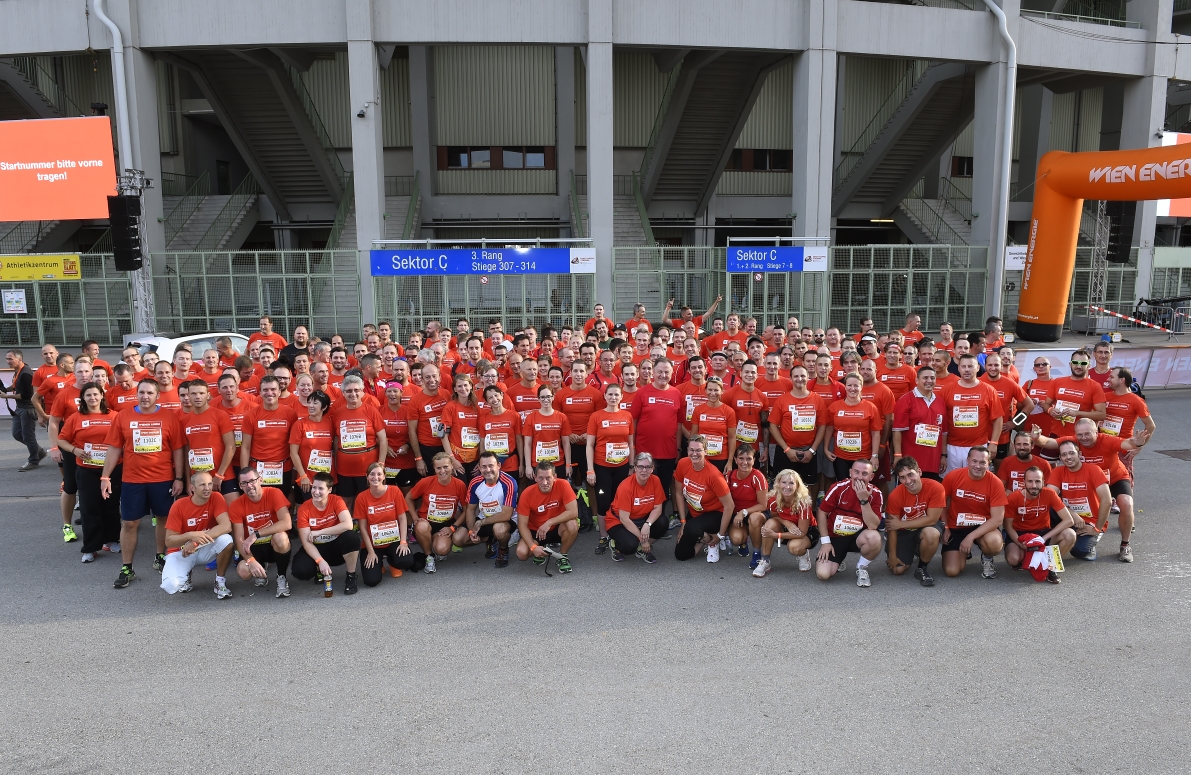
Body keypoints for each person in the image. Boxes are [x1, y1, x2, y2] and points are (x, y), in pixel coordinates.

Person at [102, 379, 186, 588]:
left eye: (150, 393)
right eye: (141, 392)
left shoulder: (169, 416)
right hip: (132, 480)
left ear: (158, 396)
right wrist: (105, 477)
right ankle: (127, 568)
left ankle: (160, 557)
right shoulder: (124, 416)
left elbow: (177, 449)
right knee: (130, 523)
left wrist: (179, 478)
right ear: (136, 394)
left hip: (163, 478)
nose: (145, 397)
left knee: (163, 519)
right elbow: (114, 448)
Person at [56, 383, 121, 561]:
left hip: (113, 469)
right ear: (83, 399)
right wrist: (75, 450)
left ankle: (112, 540)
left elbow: (123, 440)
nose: (92, 398)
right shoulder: (76, 417)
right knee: (89, 507)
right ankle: (91, 547)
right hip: (86, 469)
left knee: (111, 506)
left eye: (95, 394)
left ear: (102, 396)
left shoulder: (115, 416)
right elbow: (61, 440)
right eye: (88, 395)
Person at [1033, 431, 1120, 562]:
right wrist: (1071, 513)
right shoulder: (1058, 472)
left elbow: (1107, 500)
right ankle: (1057, 540)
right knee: (1046, 507)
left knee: (1080, 551)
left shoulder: (1094, 470)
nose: (1068, 457)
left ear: (1079, 454)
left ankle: (1091, 540)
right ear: (1060, 458)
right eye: (1064, 454)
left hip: (1089, 522)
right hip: (1068, 517)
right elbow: (1048, 497)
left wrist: (1097, 528)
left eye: (1071, 453)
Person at [160, 472, 235, 599]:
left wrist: (195, 542)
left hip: (202, 547)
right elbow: (169, 541)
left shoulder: (216, 497)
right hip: (181, 551)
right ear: (192, 488)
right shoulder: (179, 505)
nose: (207, 488)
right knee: (171, 585)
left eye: (210, 484)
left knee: (226, 540)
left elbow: (226, 526)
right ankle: (186, 575)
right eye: (202, 485)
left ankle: (220, 581)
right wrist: (189, 535)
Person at [815, 459, 883, 586]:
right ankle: (838, 560)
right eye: (856, 472)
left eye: (864, 474)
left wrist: (864, 500)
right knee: (823, 574)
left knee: (874, 538)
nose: (859, 477)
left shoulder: (876, 494)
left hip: (858, 537)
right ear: (850, 473)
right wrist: (825, 542)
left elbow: (873, 525)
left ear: (871, 476)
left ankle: (862, 567)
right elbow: (822, 512)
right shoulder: (838, 488)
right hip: (836, 537)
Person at [940, 447, 1006, 579]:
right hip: (956, 527)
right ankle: (964, 551)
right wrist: (945, 526)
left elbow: (998, 519)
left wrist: (970, 537)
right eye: (974, 461)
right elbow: (941, 503)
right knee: (952, 571)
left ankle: (987, 558)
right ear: (968, 460)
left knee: (994, 543)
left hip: (983, 527)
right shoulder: (953, 476)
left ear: (989, 463)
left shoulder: (996, 483)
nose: (978, 466)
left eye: (983, 462)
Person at [47, 356, 93, 542]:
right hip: (70, 447)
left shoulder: (100, 392)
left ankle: (100, 523)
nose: (83, 375)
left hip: (96, 449)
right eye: (79, 371)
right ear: (73, 374)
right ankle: (67, 524)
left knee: (95, 486)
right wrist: (54, 447)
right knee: (71, 486)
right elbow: (53, 423)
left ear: (92, 373)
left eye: (86, 371)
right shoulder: (65, 394)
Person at [229, 468, 294, 598]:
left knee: (281, 537)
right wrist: (251, 560)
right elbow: (239, 539)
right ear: (240, 486)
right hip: (252, 547)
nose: (249, 486)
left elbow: (287, 523)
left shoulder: (274, 493)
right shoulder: (236, 505)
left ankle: (281, 577)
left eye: (252, 481)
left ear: (260, 480)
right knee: (243, 572)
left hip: (272, 544)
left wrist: (256, 534)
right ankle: (260, 567)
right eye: (244, 483)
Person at [292, 472, 360, 594]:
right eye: (314, 487)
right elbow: (306, 542)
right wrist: (320, 561)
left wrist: (319, 532)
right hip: (315, 546)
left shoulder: (337, 500)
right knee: (300, 571)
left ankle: (351, 576)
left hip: (335, 547)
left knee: (352, 537)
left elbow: (348, 524)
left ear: (329, 490)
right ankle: (319, 569)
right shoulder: (304, 508)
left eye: (321, 488)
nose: (316, 492)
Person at [1004, 467, 1075, 583]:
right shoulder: (1014, 498)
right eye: (1030, 481)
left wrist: (1044, 538)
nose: (1034, 485)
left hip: (1043, 532)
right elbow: (1008, 526)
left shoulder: (1050, 493)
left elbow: (1069, 520)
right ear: (1024, 482)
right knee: (1013, 559)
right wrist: (1019, 542)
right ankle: (1031, 557)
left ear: (1043, 482)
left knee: (1070, 535)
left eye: (1037, 481)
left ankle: (1050, 567)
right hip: (1021, 534)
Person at [355, 462, 422, 586]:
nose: (376, 477)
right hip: (373, 544)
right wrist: (370, 551)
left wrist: (403, 542)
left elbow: (402, 519)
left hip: (393, 540)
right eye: (372, 474)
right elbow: (363, 528)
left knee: (406, 560)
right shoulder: (361, 497)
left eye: (379, 474)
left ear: (384, 476)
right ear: (367, 477)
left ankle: (393, 563)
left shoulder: (394, 491)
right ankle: (378, 563)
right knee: (371, 581)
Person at [586, 382, 634, 553]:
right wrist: (590, 469)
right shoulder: (596, 416)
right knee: (603, 501)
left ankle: (618, 533)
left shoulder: (627, 416)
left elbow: (630, 443)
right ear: (605, 396)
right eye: (610, 395)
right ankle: (604, 537)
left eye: (616, 395)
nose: (613, 398)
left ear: (621, 397)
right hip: (602, 467)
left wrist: (631, 465)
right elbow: (589, 444)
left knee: (620, 501)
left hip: (622, 467)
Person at [329, 374, 388, 513]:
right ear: (343, 393)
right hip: (345, 466)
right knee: (346, 500)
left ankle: (367, 528)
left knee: (368, 499)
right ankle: (348, 528)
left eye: (356, 390)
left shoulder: (371, 411)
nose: (353, 394)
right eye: (349, 391)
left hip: (367, 466)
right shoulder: (338, 413)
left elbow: (383, 439)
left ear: (362, 391)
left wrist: (381, 463)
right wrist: (336, 463)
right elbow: (336, 439)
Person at [767, 365, 827, 500]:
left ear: (808, 377)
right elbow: (772, 425)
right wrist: (787, 449)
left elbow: (822, 426)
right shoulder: (782, 400)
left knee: (807, 489)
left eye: (803, 376)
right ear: (791, 379)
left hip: (808, 451)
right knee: (781, 487)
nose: (800, 379)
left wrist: (812, 450)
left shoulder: (817, 399)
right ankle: (780, 516)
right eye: (796, 376)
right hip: (785, 451)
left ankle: (806, 517)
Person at [673, 436, 734, 562]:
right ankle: (706, 538)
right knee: (681, 554)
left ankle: (714, 540)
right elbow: (678, 493)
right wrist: (683, 522)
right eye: (691, 450)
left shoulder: (714, 475)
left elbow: (730, 506)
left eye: (698, 450)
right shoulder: (683, 464)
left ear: (705, 451)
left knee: (692, 528)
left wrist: (720, 535)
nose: (694, 454)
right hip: (696, 513)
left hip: (716, 514)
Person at [884, 457, 944, 586]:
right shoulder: (895, 495)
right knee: (897, 570)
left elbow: (932, 519)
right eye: (902, 477)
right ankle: (915, 549)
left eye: (910, 474)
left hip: (925, 527)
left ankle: (922, 567)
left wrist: (902, 524)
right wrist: (893, 557)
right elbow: (892, 527)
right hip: (903, 532)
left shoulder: (936, 487)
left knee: (932, 534)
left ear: (919, 472)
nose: (908, 481)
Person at [940, 353, 1003, 473]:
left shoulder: (988, 390)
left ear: (978, 368)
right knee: (953, 481)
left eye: (971, 366)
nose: (967, 370)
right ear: (959, 368)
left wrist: (994, 443)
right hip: (952, 447)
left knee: (977, 480)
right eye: (963, 366)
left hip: (979, 446)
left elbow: (998, 418)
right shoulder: (946, 390)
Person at [408, 452, 470, 572]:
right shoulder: (425, 482)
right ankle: (429, 556)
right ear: (434, 469)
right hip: (425, 522)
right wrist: (415, 518)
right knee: (421, 527)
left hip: (445, 524)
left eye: (446, 467)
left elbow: (466, 509)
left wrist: (453, 528)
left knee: (442, 550)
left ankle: (432, 544)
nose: (442, 471)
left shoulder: (460, 485)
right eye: (438, 468)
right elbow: (408, 499)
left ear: (452, 466)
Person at [240, 375, 299, 499]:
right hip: (258, 469)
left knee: (282, 502)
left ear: (279, 392)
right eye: (265, 390)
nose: (269, 393)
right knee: (259, 503)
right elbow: (245, 447)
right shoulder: (250, 415)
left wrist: (296, 470)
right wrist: (245, 473)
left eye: (273, 389)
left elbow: (294, 446)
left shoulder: (290, 413)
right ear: (260, 393)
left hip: (283, 468)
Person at [514, 462, 579, 572]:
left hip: (556, 528)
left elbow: (573, 512)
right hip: (536, 531)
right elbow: (522, 525)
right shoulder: (527, 493)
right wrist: (533, 547)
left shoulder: (563, 485)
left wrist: (549, 522)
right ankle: (540, 551)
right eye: (540, 478)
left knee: (572, 524)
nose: (544, 482)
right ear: (535, 478)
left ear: (555, 477)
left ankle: (562, 556)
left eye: (548, 478)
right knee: (521, 553)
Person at [456, 451, 518, 567]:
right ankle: (490, 539)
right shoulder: (475, 482)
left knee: (499, 530)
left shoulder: (509, 482)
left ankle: (503, 549)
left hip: (505, 520)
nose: (487, 470)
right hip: (484, 517)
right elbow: (470, 509)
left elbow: (506, 514)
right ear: (479, 468)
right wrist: (471, 531)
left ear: (498, 466)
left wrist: (480, 522)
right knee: (458, 539)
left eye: (491, 466)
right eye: (484, 466)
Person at [606, 452, 668, 563]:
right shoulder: (626, 486)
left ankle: (640, 547)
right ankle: (615, 544)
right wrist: (642, 539)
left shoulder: (656, 481)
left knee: (663, 522)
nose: (644, 470)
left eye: (647, 467)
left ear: (652, 468)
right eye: (640, 467)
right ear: (635, 468)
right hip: (618, 521)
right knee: (630, 546)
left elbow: (658, 508)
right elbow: (624, 518)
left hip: (642, 519)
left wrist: (647, 524)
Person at [753, 469, 815, 578]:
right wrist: (787, 523)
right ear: (778, 483)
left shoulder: (803, 502)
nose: (787, 486)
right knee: (769, 525)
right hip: (786, 528)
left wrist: (776, 536)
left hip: (805, 531)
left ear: (797, 486)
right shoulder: (773, 498)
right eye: (784, 482)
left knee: (794, 547)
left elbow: (801, 533)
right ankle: (765, 561)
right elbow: (774, 516)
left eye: (791, 483)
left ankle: (803, 554)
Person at [823, 373, 882, 482]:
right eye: (849, 385)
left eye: (856, 386)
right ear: (845, 386)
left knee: (861, 488)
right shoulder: (834, 407)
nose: (852, 389)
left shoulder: (871, 407)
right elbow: (829, 428)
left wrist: (875, 455)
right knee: (844, 487)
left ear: (861, 387)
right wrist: (826, 449)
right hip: (840, 457)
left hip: (863, 457)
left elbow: (875, 433)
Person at [891, 366, 945, 480]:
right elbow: (897, 430)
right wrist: (897, 455)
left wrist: (944, 455)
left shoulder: (940, 401)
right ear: (917, 380)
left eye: (932, 378)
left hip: (933, 461)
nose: (929, 381)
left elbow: (944, 432)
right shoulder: (906, 400)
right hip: (911, 461)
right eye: (925, 378)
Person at [181, 381, 236, 490]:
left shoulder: (220, 415)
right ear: (189, 396)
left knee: (232, 506)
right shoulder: (184, 421)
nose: (198, 397)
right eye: (193, 394)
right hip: (198, 478)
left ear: (208, 395)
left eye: (201, 393)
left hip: (223, 475)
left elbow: (231, 446)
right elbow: (186, 452)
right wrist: (188, 481)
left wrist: (219, 475)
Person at [1041, 349, 1106, 437]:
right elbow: (1046, 404)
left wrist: (1077, 413)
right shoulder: (1058, 382)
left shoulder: (1095, 386)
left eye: (1083, 363)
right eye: (1075, 362)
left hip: (1080, 437)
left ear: (1088, 366)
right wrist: (1050, 410)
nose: (1079, 366)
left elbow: (1101, 415)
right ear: (1070, 364)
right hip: (1055, 434)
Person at [725, 445, 768, 567]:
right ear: (735, 460)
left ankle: (757, 553)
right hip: (738, 516)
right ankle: (743, 543)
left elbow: (763, 505)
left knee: (754, 519)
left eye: (749, 459)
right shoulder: (729, 476)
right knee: (736, 539)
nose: (745, 462)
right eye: (741, 458)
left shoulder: (758, 476)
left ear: (754, 460)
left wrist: (743, 512)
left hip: (756, 514)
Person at [3, 349, 47, 471]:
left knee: (28, 436)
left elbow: (27, 395)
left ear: (20, 359)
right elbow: (15, 385)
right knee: (17, 434)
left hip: (27, 408)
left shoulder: (26, 374)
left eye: (10, 359)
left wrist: (7, 396)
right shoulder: (19, 371)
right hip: (20, 408)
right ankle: (39, 452)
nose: (8, 361)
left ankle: (33, 460)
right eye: (7, 359)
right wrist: (5, 390)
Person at [521, 384, 572, 482]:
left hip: (557, 463)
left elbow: (566, 443)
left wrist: (568, 464)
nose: (545, 399)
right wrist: (527, 466)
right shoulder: (531, 417)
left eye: (548, 396)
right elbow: (527, 444)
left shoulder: (562, 417)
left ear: (553, 397)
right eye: (542, 397)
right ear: (538, 399)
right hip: (537, 464)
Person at [406, 363, 450, 477]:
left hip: (448, 446)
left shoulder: (446, 394)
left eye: (434, 376)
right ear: (422, 379)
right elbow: (412, 431)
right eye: (427, 377)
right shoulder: (415, 401)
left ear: (440, 377)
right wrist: (418, 458)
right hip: (428, 449)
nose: (432, 380)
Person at [691, 376, 736, 473]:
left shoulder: (729, 411)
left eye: (716, 390)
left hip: (721, 458)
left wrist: (730, 461)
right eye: (710, 390)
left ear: (722, 391)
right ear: (705, 390)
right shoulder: (698, 410)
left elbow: (732, 438)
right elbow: (693, 436)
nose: (713, 393)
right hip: (702, 456)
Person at [441, 373, 481, 481]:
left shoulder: (477, 406)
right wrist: (452, 459)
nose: (463, 389)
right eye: (459, 386)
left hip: (475, 458)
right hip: (457, 458)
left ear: (471, 386)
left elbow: (482, 434)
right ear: (454, 389)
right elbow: (443, 435)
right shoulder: (450, 407)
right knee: (461, 490)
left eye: (465, 385)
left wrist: (481, 459)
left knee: (474, 491)